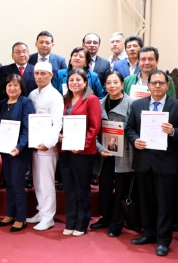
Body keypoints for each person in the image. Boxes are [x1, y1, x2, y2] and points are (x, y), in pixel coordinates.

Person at [125, 69, 178, 257]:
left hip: (166, 163)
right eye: (154, 83)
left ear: (168, 85)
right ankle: (149, 233)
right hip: (144, 161)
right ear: (148, 85)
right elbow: (129, 128)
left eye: (161, 83)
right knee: (146, 202)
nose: (157, 86)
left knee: (164, 204)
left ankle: (163, 240)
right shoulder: (138, 105)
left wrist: (173, 132)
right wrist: (135, 140)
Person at [90, 71, 135, 237]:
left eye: (116, 82)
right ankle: (105, 218)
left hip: (124, 154)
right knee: (105, 189)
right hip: (105, 154)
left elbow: (134, 130)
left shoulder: (132, 103)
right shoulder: (99, 103)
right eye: (109, 83)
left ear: (122, 84)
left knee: (121, 190)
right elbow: (92, 130)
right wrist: (100, 148)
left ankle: (117, 223)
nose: (112, 86)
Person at [57, 69, 102, 236]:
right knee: (68, 187)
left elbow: (94, 126)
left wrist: (83, 144)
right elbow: (60, 123)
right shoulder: (65, 100)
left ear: (85, 83)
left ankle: (82, 223)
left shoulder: (91, 99)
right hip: (65, 149)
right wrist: (60, 135)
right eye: (71, 80)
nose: (74, 82)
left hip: (83, 152)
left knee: (81, 188)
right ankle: (70, 221)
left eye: (78, 80)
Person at [23, 62, 64, 231]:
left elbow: (57, 122)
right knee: (37, 181)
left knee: (46, 182)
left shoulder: (55, 96)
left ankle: (49, 218)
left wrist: (48, 143)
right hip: (34, 144)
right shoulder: (33, 93)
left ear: (51, 75)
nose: (39, 76)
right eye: (37, 73)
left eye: (43, 73)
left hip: (47, 146)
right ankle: (41, 211)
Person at [0, 74, 35, 232]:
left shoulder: (26, 102)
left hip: (20, 151)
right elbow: (2, 125)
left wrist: (19, 146)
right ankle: (10, 214)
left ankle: (21, 218)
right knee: (9, 183)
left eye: (15, 86)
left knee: (18, 184)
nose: (12, 88)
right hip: (5, 149)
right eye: (9, 85)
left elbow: (28, 128)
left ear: (21, 87)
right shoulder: (3, 103)